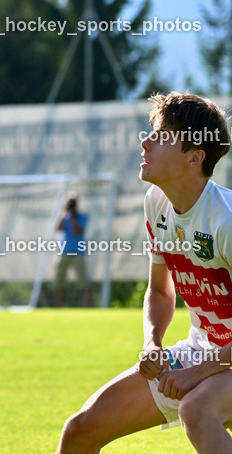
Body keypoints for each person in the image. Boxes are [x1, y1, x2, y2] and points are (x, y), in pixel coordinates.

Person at [58, 92, 232, 453]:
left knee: (196, 410)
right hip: (205, 353)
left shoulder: (226, 222)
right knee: (81, 431)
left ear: (194, 157)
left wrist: (197, 374)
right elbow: (161, 291)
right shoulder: (156, 203)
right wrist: (153, 342)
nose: (146, 142)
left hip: (216, 363)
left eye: (162, 136)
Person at [55, 193, 93, 307]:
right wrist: (64, 214)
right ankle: (58, 307)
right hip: (64, 253)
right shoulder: (64, 216)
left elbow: (77, 231)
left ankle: (89, 307)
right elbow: (57, 228)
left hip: (78, 253)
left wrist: (72, 217)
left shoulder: (82, 216)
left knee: (84, 283)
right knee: (59, 283)